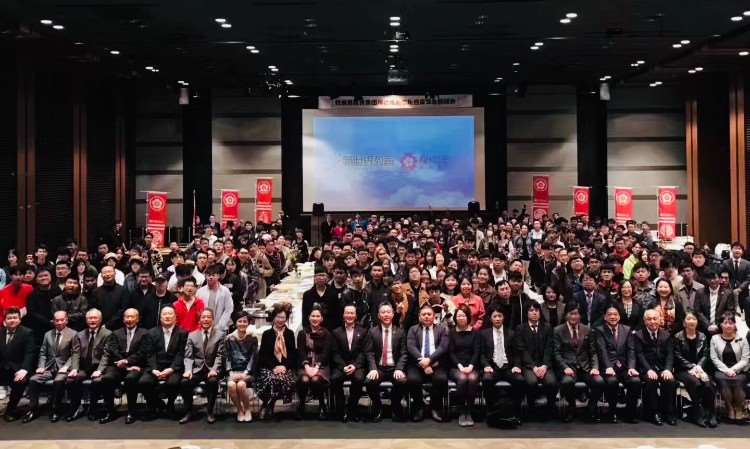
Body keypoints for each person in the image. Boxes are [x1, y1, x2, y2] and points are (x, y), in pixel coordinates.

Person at [23, 310, 77, 423]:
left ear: (66, 320)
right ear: (53, 321)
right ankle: (33, 409)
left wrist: (66, 366)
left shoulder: (73, 334)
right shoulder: (47, 334)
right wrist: (41, 366)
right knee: (33, 380)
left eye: (62, 320)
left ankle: (55, 409)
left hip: (64, 368)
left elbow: (75, 354)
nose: (59, 322)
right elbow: (43, 352)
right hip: (49, 367)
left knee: (58, 381)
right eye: (57, 320)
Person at [553, 304, 603, 422]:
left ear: (580, 315)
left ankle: (591, 407)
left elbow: (593, 351)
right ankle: (572, 406)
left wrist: (595, 367)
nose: (574, 316)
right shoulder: (558, 330)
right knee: (567, 382)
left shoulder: (587, 329)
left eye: (576, 314)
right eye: (571, 313)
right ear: (566, 315)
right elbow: (556, 353)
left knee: (599, 381)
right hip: (568, 367)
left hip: (585, 367)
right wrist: (564, 367)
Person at [138, 305, 188, 420]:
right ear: (160, 318)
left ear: (175, 317)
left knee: (173, 383)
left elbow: (181, 354)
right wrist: (154, 369)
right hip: (156, 367)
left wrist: (171, 369)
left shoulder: (182, 333)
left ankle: (170, 406)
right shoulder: (151, 333)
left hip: (173, 367)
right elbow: (149, 353)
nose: (167, 316)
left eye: (170, 314)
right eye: (164, 314)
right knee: (144, 382)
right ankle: (155, 405)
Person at [100, 308, 148, 424]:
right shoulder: (115, 333)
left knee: (131, 378)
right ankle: (110, 412)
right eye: (127, 317)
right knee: (107, 378)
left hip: (136, 365)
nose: (129, 319)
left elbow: (142, 352)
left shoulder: (145, 333)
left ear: (137, 319)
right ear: (123, 319)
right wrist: (122, 363)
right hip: (118, 365)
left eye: (132, 317)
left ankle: (131, 412)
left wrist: (127, 361)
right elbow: (113, 350)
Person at [512, 301, 558, 418]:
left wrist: (544, 366)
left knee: (551, 382)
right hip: (529, 365)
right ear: (527, 313)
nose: (534, 313)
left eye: (536, 310)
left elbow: (549, 348)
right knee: (531, 382)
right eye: (531, 310)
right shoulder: (520, 328)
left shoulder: (547, 327)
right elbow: (522, 350)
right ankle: (531, 407)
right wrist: (533, 367)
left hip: (544, 365)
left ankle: (550, 407)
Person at [594, 306, 641, 423]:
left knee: (635, 381)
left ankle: (630, 413)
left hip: (624, 367)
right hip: (608, 367)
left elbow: (631, 350)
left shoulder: (627, 329)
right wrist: (608, 366)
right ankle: (612, 411)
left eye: (615, 314)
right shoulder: (599, 330)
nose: (612, 317)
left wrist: (631, 367)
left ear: (619, 317)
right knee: (612, 381)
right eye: (609, 314)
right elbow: (602, 350)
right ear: (605, 317)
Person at [65, 308, 112, 422]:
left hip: (100, 367)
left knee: (97, 381)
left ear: (100, 320)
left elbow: (106, 355)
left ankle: (93, 409)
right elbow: (75, 353)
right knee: (71, 379)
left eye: (95, 318)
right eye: (90, 318)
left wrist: (100, 370)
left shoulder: (108, 334)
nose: (92, 320)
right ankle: (76, 407)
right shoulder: (80, 334)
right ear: (86, 320)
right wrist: (74, 368)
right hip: (84, 367)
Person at [179, 308, 225, 424]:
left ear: (213, 320)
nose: (206, 319)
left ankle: (210, 411)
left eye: (209, 317)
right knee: (184, 382)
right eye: (203, 317)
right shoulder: (192, 335)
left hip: (212, 369)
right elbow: (188, 356)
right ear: (199, 320)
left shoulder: (220, 335)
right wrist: (188, 370)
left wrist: (214, 369)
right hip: (197, 369)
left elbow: (220, 355)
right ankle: (188, 411)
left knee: (213, 381)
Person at [406, 303, 450, 422]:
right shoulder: (413, 329)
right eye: (423, 314)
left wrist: (430, 361)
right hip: (417, 364)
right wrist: (423, 363)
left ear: (434, 316)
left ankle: (435, 407)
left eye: (429, 314)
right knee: (412, 380)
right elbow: (411, 347)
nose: (426, 316)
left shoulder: (442, 329)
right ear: (419, 316)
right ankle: (419, 407)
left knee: (441, 379)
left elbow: (443, 347)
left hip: (436, 363)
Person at [365, 302, 408, 422]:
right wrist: (373, 368)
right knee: (369, 381)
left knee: (402, 381)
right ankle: (378, 406)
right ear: (379, 316)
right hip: (379, 368)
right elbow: (369, 352)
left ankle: (395, 405)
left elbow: (404, 353)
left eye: (388, 312)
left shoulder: (400, 332)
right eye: (383, 312)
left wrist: (399, 368)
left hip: (394, 367)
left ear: (393, 314)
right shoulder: (372, 332)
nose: (386, 315)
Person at [632, 308, 677, 425]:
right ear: (644, 321)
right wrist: (648, 369)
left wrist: (668, 369)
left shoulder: (666, 334)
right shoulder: (638, 335)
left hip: (662, 368)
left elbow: (670, 354)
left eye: (655, 318)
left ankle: (668, 412)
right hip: (645, 368)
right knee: (651, 380)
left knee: (670, 380)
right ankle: (653, 412)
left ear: (659, 320)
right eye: (649, 319)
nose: (652, 321)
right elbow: (639, 354)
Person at [673, 310, 716, 427]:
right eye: (688, 319)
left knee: (708, 383)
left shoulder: (703, 336)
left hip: (699, 368)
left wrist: (698, 367)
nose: (691, 321)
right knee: (695, 383)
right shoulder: (677, 337)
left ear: (697, 322)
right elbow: (677, 356)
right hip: (683, 370)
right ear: (684, 323)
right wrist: (692, 366)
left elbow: (705, 355)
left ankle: (711, 413)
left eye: (694, 319)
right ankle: (697, 413)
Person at [480, 306, 521, 428]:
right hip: (492, 367)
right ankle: (491, 411)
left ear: (503, 318)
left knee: (520, 380)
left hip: (508, 367)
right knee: (487, 379)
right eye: (495, 316)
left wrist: (517, 366)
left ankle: (515, 412)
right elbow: (481, 354)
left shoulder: (511, 333)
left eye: (500, 316)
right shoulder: (484, 334)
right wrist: (486, 365)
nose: (497, 319)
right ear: (490, 318)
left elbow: (517, 353)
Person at [256, 302, 297, 420]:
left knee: (282, 379)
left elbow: (292, 355)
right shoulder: (267, 334)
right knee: (270, 378)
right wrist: (274, 367)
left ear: (286, 319)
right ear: (274, 318)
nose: (280, 320)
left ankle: (269, 404)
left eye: (283, 317)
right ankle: (267, 404)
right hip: (270, 367)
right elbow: (263, 355)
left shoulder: (290, 334)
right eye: (278, 317)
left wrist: (284, 367)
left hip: (285, 368)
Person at [331, 304, 370, 422]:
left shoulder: (363, 331)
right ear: (343, 315)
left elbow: (364, 352)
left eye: (352, 313)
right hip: (341, 365)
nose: (349, 315)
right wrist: (343, 366)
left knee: (359, 379)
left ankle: (352, 408)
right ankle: (341, 408)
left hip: (357, 365)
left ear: (356, 315)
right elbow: (335, 353)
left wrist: (355, 365)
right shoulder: (336, 332)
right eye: (347, 313)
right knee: (334, 379)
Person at [709, 312, 750, 423]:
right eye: (725, 323)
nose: (728, 325)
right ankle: (730, 408)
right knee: (723, 380)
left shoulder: (742, 339)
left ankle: (739, 407)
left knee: (738, 381)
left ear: (735, 325)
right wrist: (727, 370)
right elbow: (714, 358)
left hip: (740, 370)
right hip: (721, 370)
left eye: (731, 323)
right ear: (721, 325)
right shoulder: (714, 339)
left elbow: (745, 359)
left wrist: (733, 370)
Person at [296, 305, 333, 420]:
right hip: (305, 364)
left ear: (322, 318)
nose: (315, 318)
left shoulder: (327, 333)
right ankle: (301, 404)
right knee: (304, 379)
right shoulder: (302, 333)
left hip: (321, 365)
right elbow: (301, 352)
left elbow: (326, 353)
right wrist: (307, 366)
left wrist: (317, 367)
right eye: (313, 316)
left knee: (316, 379)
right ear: (309, 317)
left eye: (318, 316)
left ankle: (322, 405)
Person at [448, 304, 480, 427]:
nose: (461, 318)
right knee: (462, 378)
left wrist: (471, 366)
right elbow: (451, 353)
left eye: (464, 315)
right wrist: (460, 366)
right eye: (459, 316)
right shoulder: (451, 333)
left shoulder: (475, 333)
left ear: (468, 317)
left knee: (472, 378)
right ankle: (461, 411)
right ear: (455, 318)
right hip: (456, 367)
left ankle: (469, 411)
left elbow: (476, 352)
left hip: (472, 366)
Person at [0, 308, 35, 421]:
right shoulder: (0, 332)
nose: (12, 320)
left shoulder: (27, 333)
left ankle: (10, 409)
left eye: (15, 318)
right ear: (5, 321)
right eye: (9, 318)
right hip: (2, 367)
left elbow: (30, 353)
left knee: (20, 381)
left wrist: (24, 369)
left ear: (19, 320)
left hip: (18, 368)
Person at [225, 311, 258, 423]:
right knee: (231, 385)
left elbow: (253, 357)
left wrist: (246, 372)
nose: (242, 323)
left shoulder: (252, 338)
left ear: (248, 323)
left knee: (241, 385)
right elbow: (227, 357)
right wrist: (230, 372)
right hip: (233, 371)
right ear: (235, 323)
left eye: (245, 321)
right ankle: (239, 409)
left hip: (248, 372)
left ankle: (247, 410)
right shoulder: (229, 338)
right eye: (240, 321)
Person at [23, 268, 60, 345]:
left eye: (46, 275)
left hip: (59, 325)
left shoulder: (57, 290)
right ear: (36, 279)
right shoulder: (32, 295)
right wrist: (48, 322)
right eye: (40, 276)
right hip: (39, 329)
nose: (43, 278)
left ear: (51, 277)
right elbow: (32, 312)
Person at [196, 264, 234, 333]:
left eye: (213, 275)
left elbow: (228, 309)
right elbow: (197, 310)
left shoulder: (225, 291)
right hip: (203, 327)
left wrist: (220, 325)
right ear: (205, 276)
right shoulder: (200, 291)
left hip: (221, 327)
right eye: (208, 275)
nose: (211, 277)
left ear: (218, 276)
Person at [302, 265, 341, 330]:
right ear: (314, 277)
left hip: (330, 330)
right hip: (312, 330)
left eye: (323, 275)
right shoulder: (307, 295)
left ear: (327, 277)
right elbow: (305, 317)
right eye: (318, 275)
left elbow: (337, 316)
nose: (321, 278)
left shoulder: (333, 293)